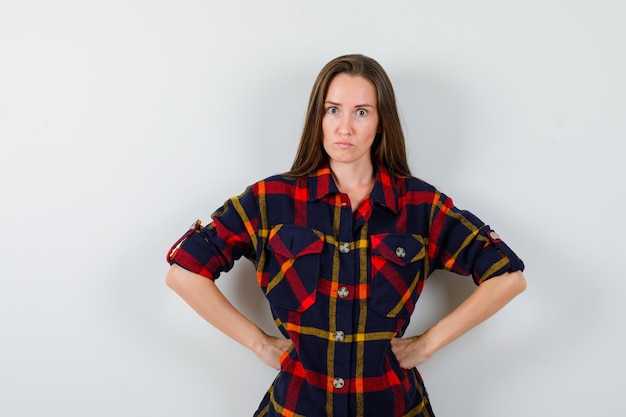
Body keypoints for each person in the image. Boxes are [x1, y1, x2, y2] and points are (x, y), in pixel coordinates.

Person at [165, 54, 526, 417]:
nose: (345, 128)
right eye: (333, 110)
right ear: (317, 118)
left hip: (392, 406)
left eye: (362, 112)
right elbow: (184, 272)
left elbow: (508, 277)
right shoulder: (268, 201)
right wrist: (258, 344)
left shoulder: (420, 206)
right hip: (297, 407)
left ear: (381, 122)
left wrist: (427, 344)